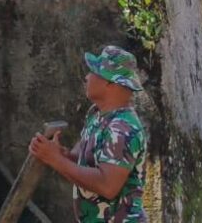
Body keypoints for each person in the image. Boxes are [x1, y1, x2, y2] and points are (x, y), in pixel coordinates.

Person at [29, 45, 148, 222]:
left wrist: (55, 159)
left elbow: (107, 185)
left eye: (93, 72)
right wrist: (59, 154)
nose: (86, 77)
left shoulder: (122, 128)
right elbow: (81, 163)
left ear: (110, 82)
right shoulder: (96, 115)